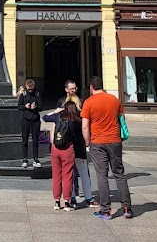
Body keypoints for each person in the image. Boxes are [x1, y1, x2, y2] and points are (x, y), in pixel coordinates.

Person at [82, 76, 133, 220]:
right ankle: (127, 208)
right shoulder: (114, 100)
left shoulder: (88, 102)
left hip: (97, 142)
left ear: (91, 87)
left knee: (102, 176)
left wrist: (87, 142)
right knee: (119, 174)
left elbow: (85, 126)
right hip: (115, 140)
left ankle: (105, 210)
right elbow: (121, 118)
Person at [44, 101, 83, 211]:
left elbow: (45, 118)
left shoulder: (58, 117)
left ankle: (56, 201)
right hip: (68, 149)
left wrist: (55, 111)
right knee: (68, 175)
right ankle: (67, 202)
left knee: (56, 175)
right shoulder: (75, 120)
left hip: (55, 148)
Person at [18, 78, 42, 168]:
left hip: (35, 119)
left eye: (32, 89)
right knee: (25, 139)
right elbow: (19, 106)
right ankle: (25, 159)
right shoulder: (23, 94)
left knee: (35, 140)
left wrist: (35, 107)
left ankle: (35, 159)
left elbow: (41, 107)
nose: (30, 91)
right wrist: (25, 106)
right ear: (26, 87)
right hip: (25, 120)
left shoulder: (37, 94)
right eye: (29, 89)